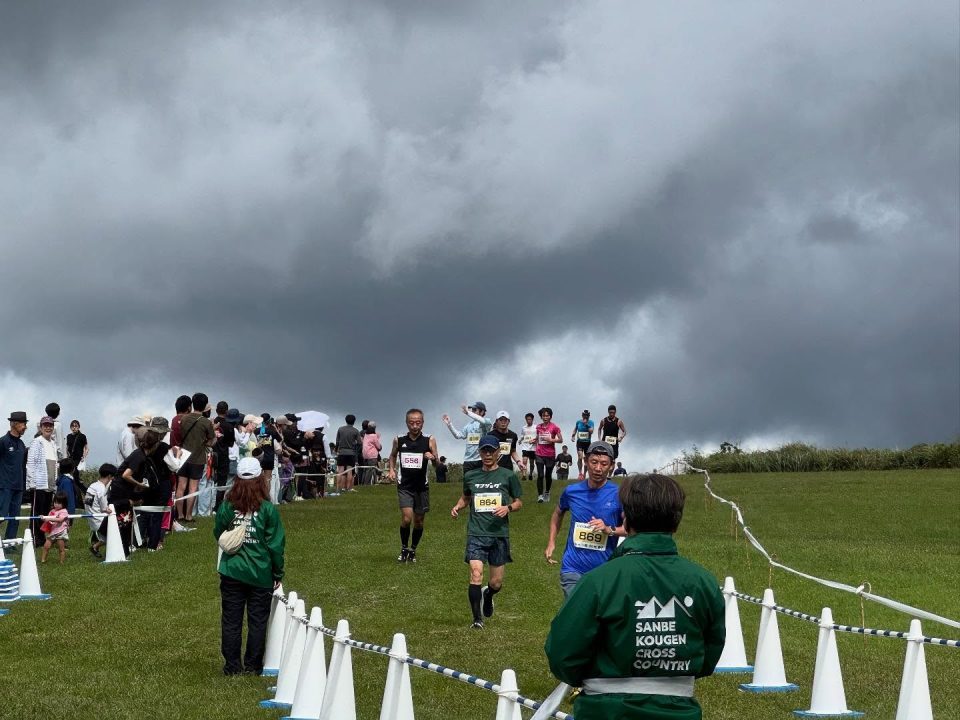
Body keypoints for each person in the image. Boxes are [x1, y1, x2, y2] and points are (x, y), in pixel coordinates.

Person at [544, 474, 725, 720]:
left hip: (605, 711)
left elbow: (562, 653)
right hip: (678, 711)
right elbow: (710, 650)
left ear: (625, 520)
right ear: (676, 523)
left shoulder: (598, 581)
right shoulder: (703, 582)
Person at [213, 456, 285, 676]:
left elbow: (219, 533)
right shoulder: (267, 510)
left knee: (231, 620)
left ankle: (232, 666)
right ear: (260, 478)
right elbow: (275, 544)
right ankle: (253, 666)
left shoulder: (227, 506)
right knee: (257, 621)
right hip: (260, 572)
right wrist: (278, 571)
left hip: (232, 571)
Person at [450, 435, 522, 629]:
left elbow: (518, 502)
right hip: (476, 532)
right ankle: (477, 619)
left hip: (499, 534)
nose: (488, 454)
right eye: (484, 451)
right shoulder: (470, 476)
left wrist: (508, 508)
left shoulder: (508, 475)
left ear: (499, 452)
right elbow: (465, 497)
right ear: (479, 452)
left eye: (492, 450)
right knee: (475, 573)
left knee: (496, 582)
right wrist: (457, 507)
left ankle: (488, 594)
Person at [544, 441, 624, 597]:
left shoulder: (619, 494)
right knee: (578, 615)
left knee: (599, 618)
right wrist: (551, 541)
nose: (598, 468)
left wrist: (609, 529)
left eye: (603, 464)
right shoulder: (571, 492)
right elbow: (557, 514)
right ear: (586, 462)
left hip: (605, 570)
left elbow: (631, 529)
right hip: (572, 568)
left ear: (611, 466)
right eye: (594, 462)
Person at [388, 409, 439, 563]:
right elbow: (392, 455)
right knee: (406, 518)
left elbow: (437, 465)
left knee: (419, 521)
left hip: (421, 487)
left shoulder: (429, 440)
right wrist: (391, 469)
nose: (415, 426)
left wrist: (433, 458)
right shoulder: (399, 439)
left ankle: (413, 549)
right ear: (407, 423)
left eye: (418, 423)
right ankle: (404, 548)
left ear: (422, 423)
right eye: (412, 423)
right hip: (405, 486)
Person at [119, 417, 174, 551]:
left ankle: (136, 542)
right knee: (157, 514)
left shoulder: (143, 445)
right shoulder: (165, 448)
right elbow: (174, 466)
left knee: (143, 512)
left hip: (145, 483)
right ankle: (153, 544)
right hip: (162, 483)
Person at [176, 393, 215, 523]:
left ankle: (180, 515)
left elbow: (181, 433)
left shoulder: (184, 419)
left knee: (181, 486)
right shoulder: (206, 422)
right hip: (197, 458)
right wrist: (204, 443)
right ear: (204, 406)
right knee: (193, 488)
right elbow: (211, 440)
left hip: (183, 457)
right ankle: (188, 516)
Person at [27, 416, 59, 547]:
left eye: (50, 425)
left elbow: (55, 464)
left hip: (49, 485)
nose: (48, 428)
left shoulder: (53, 443)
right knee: (37, 512)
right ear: (41, 427)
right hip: (38, 484)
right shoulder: (37, 442)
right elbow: (31, 463)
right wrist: (32, 482)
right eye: (45, 425)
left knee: (45, 513)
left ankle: (42, 537)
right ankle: (34, 538)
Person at [0, 411, 28, 544]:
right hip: (4, 486)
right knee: (2, 516)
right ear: (14, 424)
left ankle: (9, 543)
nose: (25, 427)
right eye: (23, 424)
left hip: (19, 486)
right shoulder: (3, 442)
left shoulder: (22, 445)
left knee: (15, 517)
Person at [443, 402, 492, 473]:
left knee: (480, 483)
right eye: (472, 409)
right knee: (468, 483)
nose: (472, 411)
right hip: (468, 461)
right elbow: (458, 435)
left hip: (481, 460)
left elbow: (482, 421)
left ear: (482, 412)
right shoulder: (468, 425)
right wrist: (449, 425)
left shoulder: (486, 422)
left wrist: (468, 413)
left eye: (475, 409)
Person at [84, 463, 115, 558]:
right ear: (110, 476)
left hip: (91, 517)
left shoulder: (93, 485)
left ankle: (95, 547)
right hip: (99, 519)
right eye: (113, 477)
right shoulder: (102, 489)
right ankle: (112, 555)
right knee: (116, 533)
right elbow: (104, 509)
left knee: (105, 538)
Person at [534, 407, 563, 504]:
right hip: (539, 453)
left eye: (547, 415)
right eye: (543, 416)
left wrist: (551, 440)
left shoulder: (554, 427)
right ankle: (540, 496)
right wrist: (534, 440)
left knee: (547, 475)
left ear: (550, 416)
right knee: (540, 475)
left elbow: (560, 440)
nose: (545, 417)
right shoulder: (538, 427)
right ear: (541, 417)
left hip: (550, 454)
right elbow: (538, 438)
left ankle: (547, 492)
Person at [39, 492, 70, 564]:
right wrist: (43, 517)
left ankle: (61, 562)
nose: (56, 504)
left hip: (60, 532)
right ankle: (43, 560)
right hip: (53, 532)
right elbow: (48, 519)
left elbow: (60, 520)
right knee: (46, 546)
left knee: (61, 548)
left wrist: (49, 519)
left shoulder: (64, 511)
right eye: (55, 502)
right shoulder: (52, 511)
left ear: (64, 503)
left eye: (59, 503)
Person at [334, 414, 362, 493]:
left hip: (342, 452)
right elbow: (360, 443)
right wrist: (355, 445)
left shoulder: (340, 429)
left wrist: (336, 450)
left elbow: (337, 442)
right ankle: (349, 488)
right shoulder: (355, 431)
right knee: (350, 471)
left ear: (346, 420)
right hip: (351, 453)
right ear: (354, 421)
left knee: (340, 471)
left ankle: (339, 488)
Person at [571, 410, 595, 480]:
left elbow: (591, 431)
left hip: (587, 443)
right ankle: (580, 473)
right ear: (582, 415)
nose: (586, 416)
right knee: (580, 457)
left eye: (587, 415)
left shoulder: (591, 422)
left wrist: (586, 424)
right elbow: (575, 429)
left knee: (587, 459)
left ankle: (584, 474)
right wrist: (573, 435)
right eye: (584, 415)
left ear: (589, 416)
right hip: (580, 442)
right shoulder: (578, 422)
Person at [361, 421, 382, 486]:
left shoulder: (366, 435)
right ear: (374, 427)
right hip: (372, 456)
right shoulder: (374, 436)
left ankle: (363, 483)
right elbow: (378, 447)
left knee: (365, 470)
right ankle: (366, 485)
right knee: (370, 470)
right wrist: (381, 446)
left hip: (365, 455)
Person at [517, 413, 537, 480]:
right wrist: (520, 440)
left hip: (533, 448)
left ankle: (530, 474)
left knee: (531, 463)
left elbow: (538, 436)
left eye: (530, 419)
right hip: (525, 446)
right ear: (526, 420)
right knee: (524, 461)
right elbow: (523, 435)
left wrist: (535, 440)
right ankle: (524, 475)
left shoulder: (536, 427)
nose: (529, 421)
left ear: (532, 419)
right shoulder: (524, 428)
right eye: (527, 419)